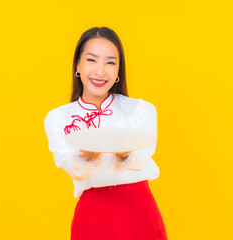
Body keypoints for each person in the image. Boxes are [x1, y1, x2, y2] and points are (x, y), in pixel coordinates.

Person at [43, 27, 168, 239]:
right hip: (93, 217)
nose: (100, 71)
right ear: (78, 65)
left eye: (110, 62)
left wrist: (91, 154)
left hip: (138, 212)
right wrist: (119, 152)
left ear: (119, 70)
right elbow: (75, 169)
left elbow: (139, 160)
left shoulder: (141, 109)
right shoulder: (58, 118)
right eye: (92, 60)